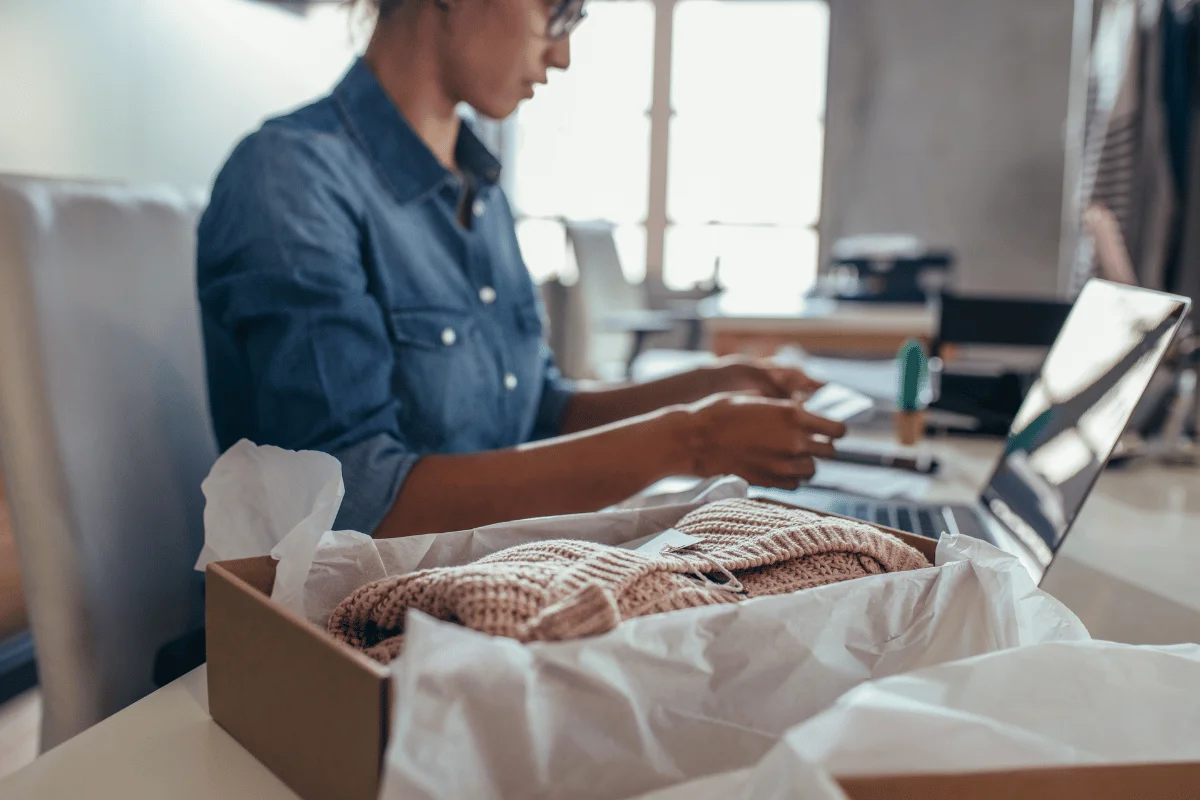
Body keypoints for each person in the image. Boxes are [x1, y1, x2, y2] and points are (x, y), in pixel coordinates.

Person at [196, 0, 844, 540]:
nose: (561, 54)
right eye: (557, 11)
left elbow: (538, 413)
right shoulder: (291, 181)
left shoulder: (479, 192)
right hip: (324, 643)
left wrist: (706, 387)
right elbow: (357, 504)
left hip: (478, 592)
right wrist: (691, 440)